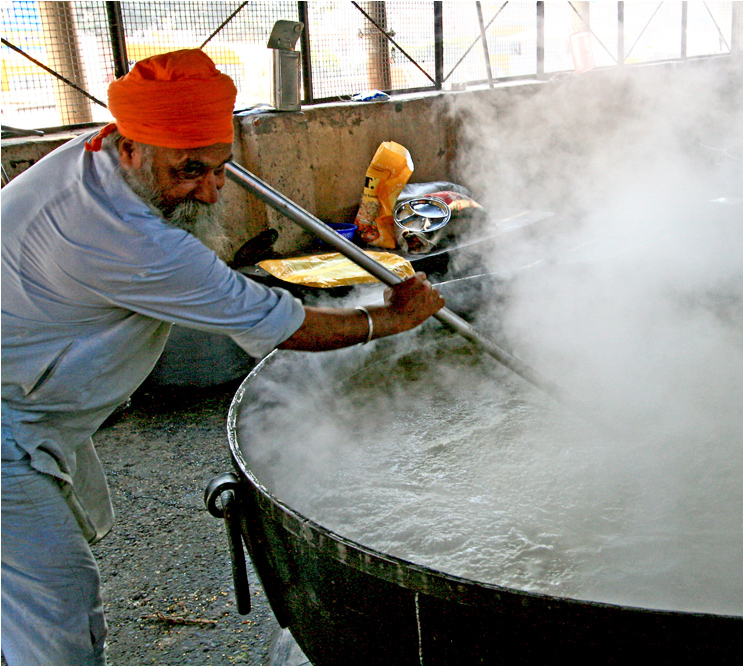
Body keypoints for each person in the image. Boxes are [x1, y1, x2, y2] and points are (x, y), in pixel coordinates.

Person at [0, 49, 444, 665]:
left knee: (18, 594)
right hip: (4, 428)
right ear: (129, 147)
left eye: (219, 167)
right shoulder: (120, 237)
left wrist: (191, 164)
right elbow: (280, 325)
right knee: (57, 610)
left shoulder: (96, 158)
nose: (209, 191)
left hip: (24, 396)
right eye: (188, 171)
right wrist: (389, 320)